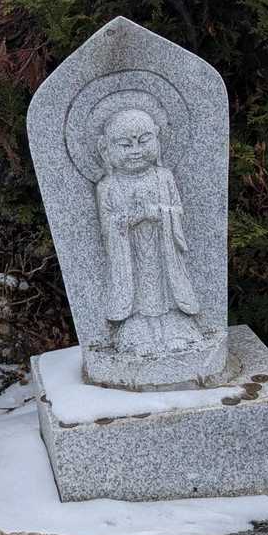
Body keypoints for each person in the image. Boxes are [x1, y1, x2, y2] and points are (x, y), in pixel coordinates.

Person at [95, 107, 201, 356]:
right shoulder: (108, 186)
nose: (136, 151)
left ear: (157, 138)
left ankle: (173, 326)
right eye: (125, 144)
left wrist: (160, 213)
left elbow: (177, 211)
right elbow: (107, 226)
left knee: (166, 290)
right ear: (105, 148)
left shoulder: (164, 177)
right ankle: (137, 329)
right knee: (138, 295)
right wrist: (129, 218)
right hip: (130, 254)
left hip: (163, 248)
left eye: (143, 141)